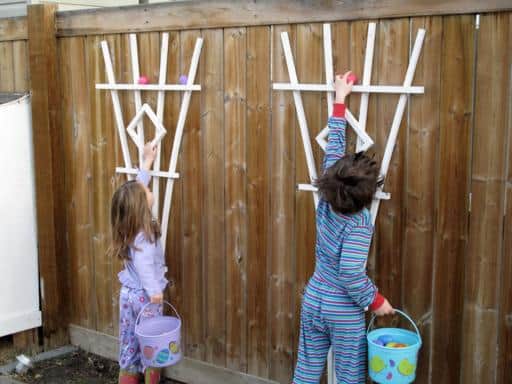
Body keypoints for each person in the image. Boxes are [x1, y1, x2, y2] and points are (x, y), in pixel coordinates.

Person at [293, 71, 394, 384]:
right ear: (367, 195)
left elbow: (333, 149)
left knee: (307, 371)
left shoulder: (327, 194)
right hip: (343, 312)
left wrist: (340, 100)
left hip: (314, 298)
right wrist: (376, 302)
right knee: (349, 375)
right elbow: (350, 272)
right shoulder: (360, 222)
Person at [109, 143, 168, 384]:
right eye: (146, 190)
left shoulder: (128, 225)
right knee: (152, 348)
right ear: (142, 205)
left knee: (129, 346)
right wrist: (155, 292)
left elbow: (135, 189)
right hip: (146, 297)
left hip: (128, 295)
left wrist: (146, 163)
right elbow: (145, 266)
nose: (148, 189)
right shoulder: (145, 232)